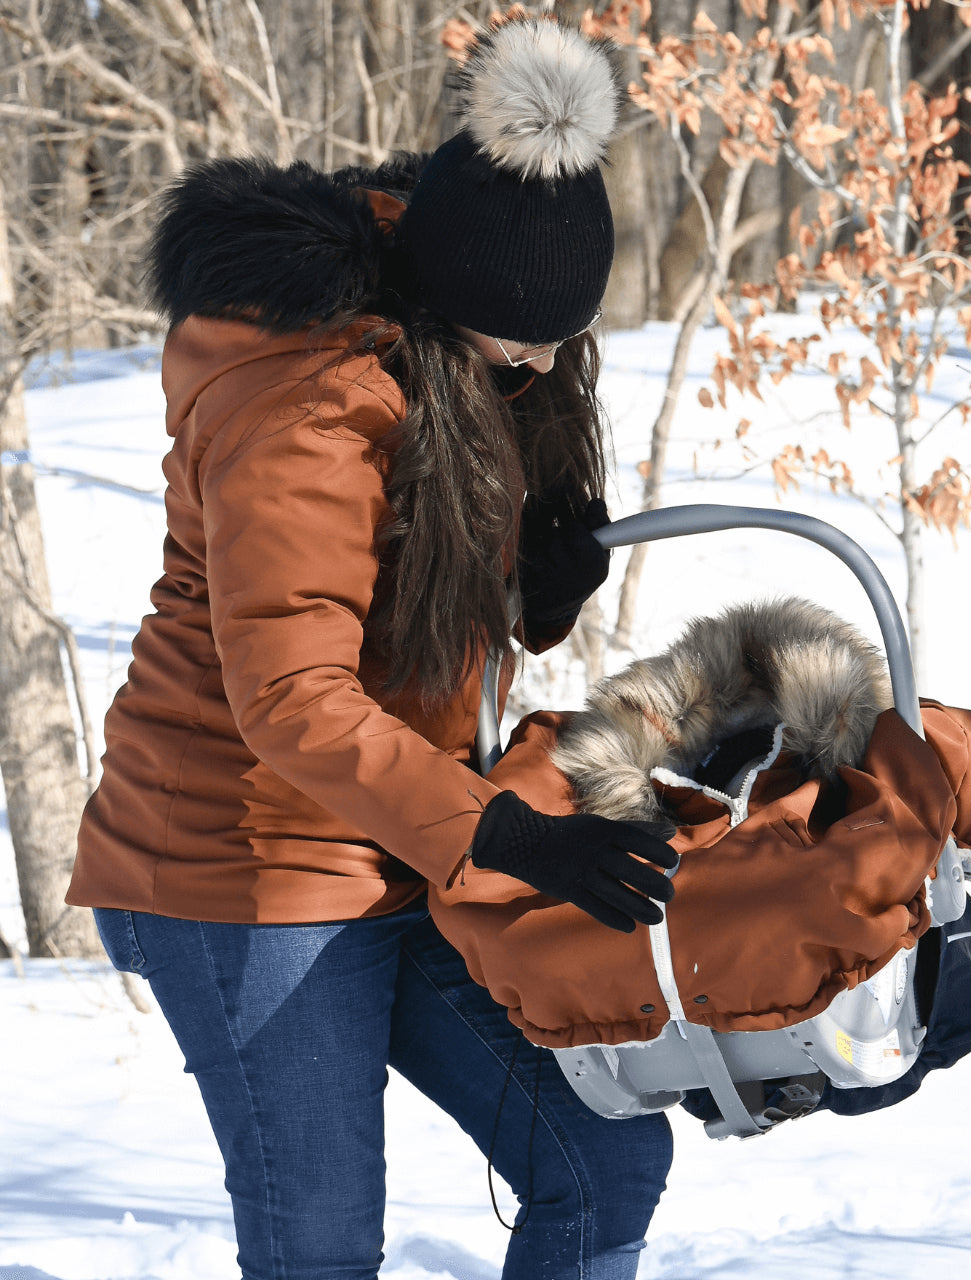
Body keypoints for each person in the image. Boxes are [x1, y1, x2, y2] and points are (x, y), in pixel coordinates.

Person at [66, 17, 679, 1280]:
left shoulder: (455, 359)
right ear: (458, 304)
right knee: (323, 1241)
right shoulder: (305, 409)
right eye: (526, 340)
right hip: (245, 866)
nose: (547, 363)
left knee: (601, 1159)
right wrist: (507, 835)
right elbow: (295, 694)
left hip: (398, 838)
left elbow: (410, 603)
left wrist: (533, 588)